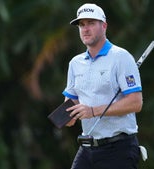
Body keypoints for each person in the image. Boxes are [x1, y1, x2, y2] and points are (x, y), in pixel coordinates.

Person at [62, 3, 143, 169]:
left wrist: (92, 111)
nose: (85, 29)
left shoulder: (121, 57)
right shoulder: (75, 63)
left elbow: (136, 103)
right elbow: (71, 105)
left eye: (91, 23)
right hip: (87, 148)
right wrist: (65, 118)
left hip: (119, 148)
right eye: (82, 25)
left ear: (104, 26)